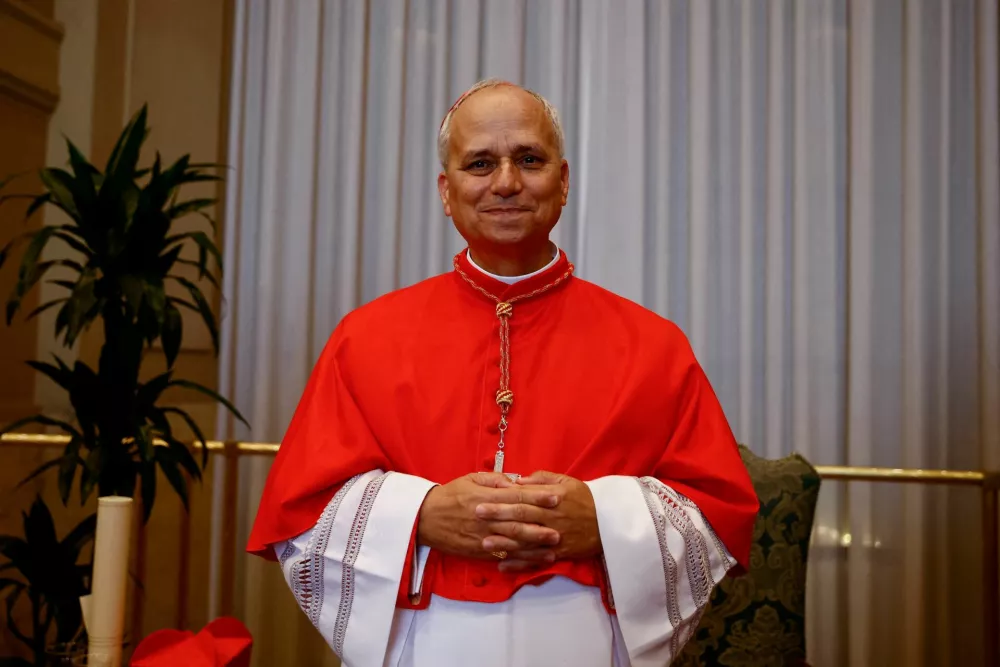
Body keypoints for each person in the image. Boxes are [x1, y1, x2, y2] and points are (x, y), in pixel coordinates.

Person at [247, 79, 759, 667]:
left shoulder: (654, 345)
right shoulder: (365, 337)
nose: (507, 182)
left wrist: (604, 519)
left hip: (587, 641)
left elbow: (716, 515)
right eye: (480, 163)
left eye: (530, 160)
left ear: (562, 181)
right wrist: (419, 514)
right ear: (447, 190)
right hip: (418, 639)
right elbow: (300, 514)